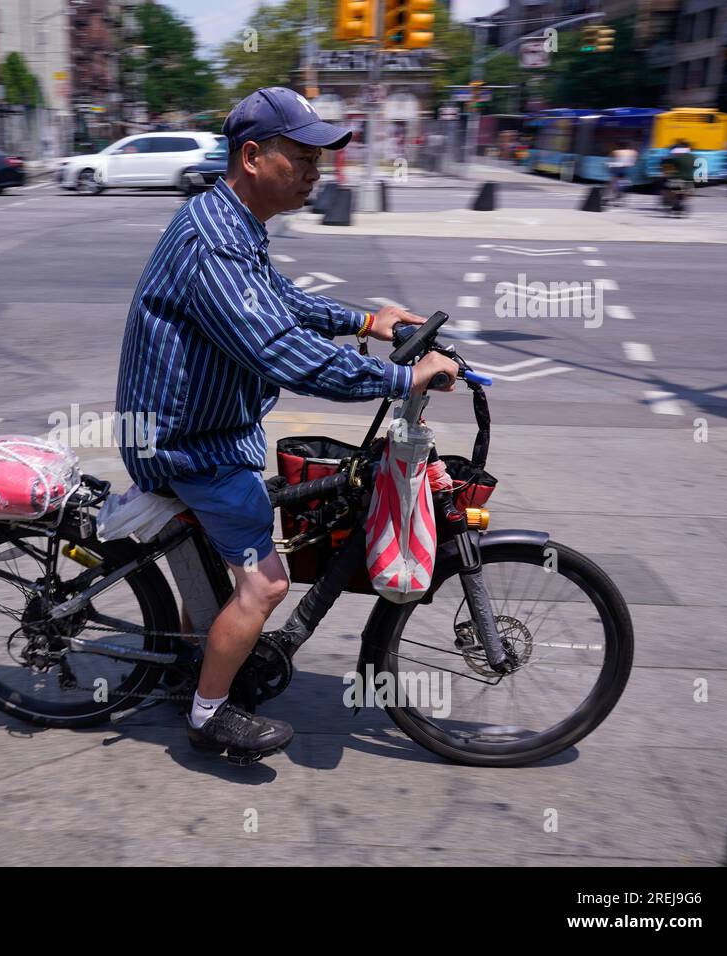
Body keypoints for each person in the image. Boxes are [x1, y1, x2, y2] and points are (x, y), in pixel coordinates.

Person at [114, 86, 459, 763]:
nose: (315, 172)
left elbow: (277, 299)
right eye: (303, 157)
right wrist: (399, 378)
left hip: (202, 430)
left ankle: (193, 663)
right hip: (184, 444)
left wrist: (368, 320)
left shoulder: (232, 221)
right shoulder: (215, 241)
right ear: (252, 156)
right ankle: (210, 715)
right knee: (266, 580)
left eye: (320, 160)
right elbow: (278, 349)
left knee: (218, 562)